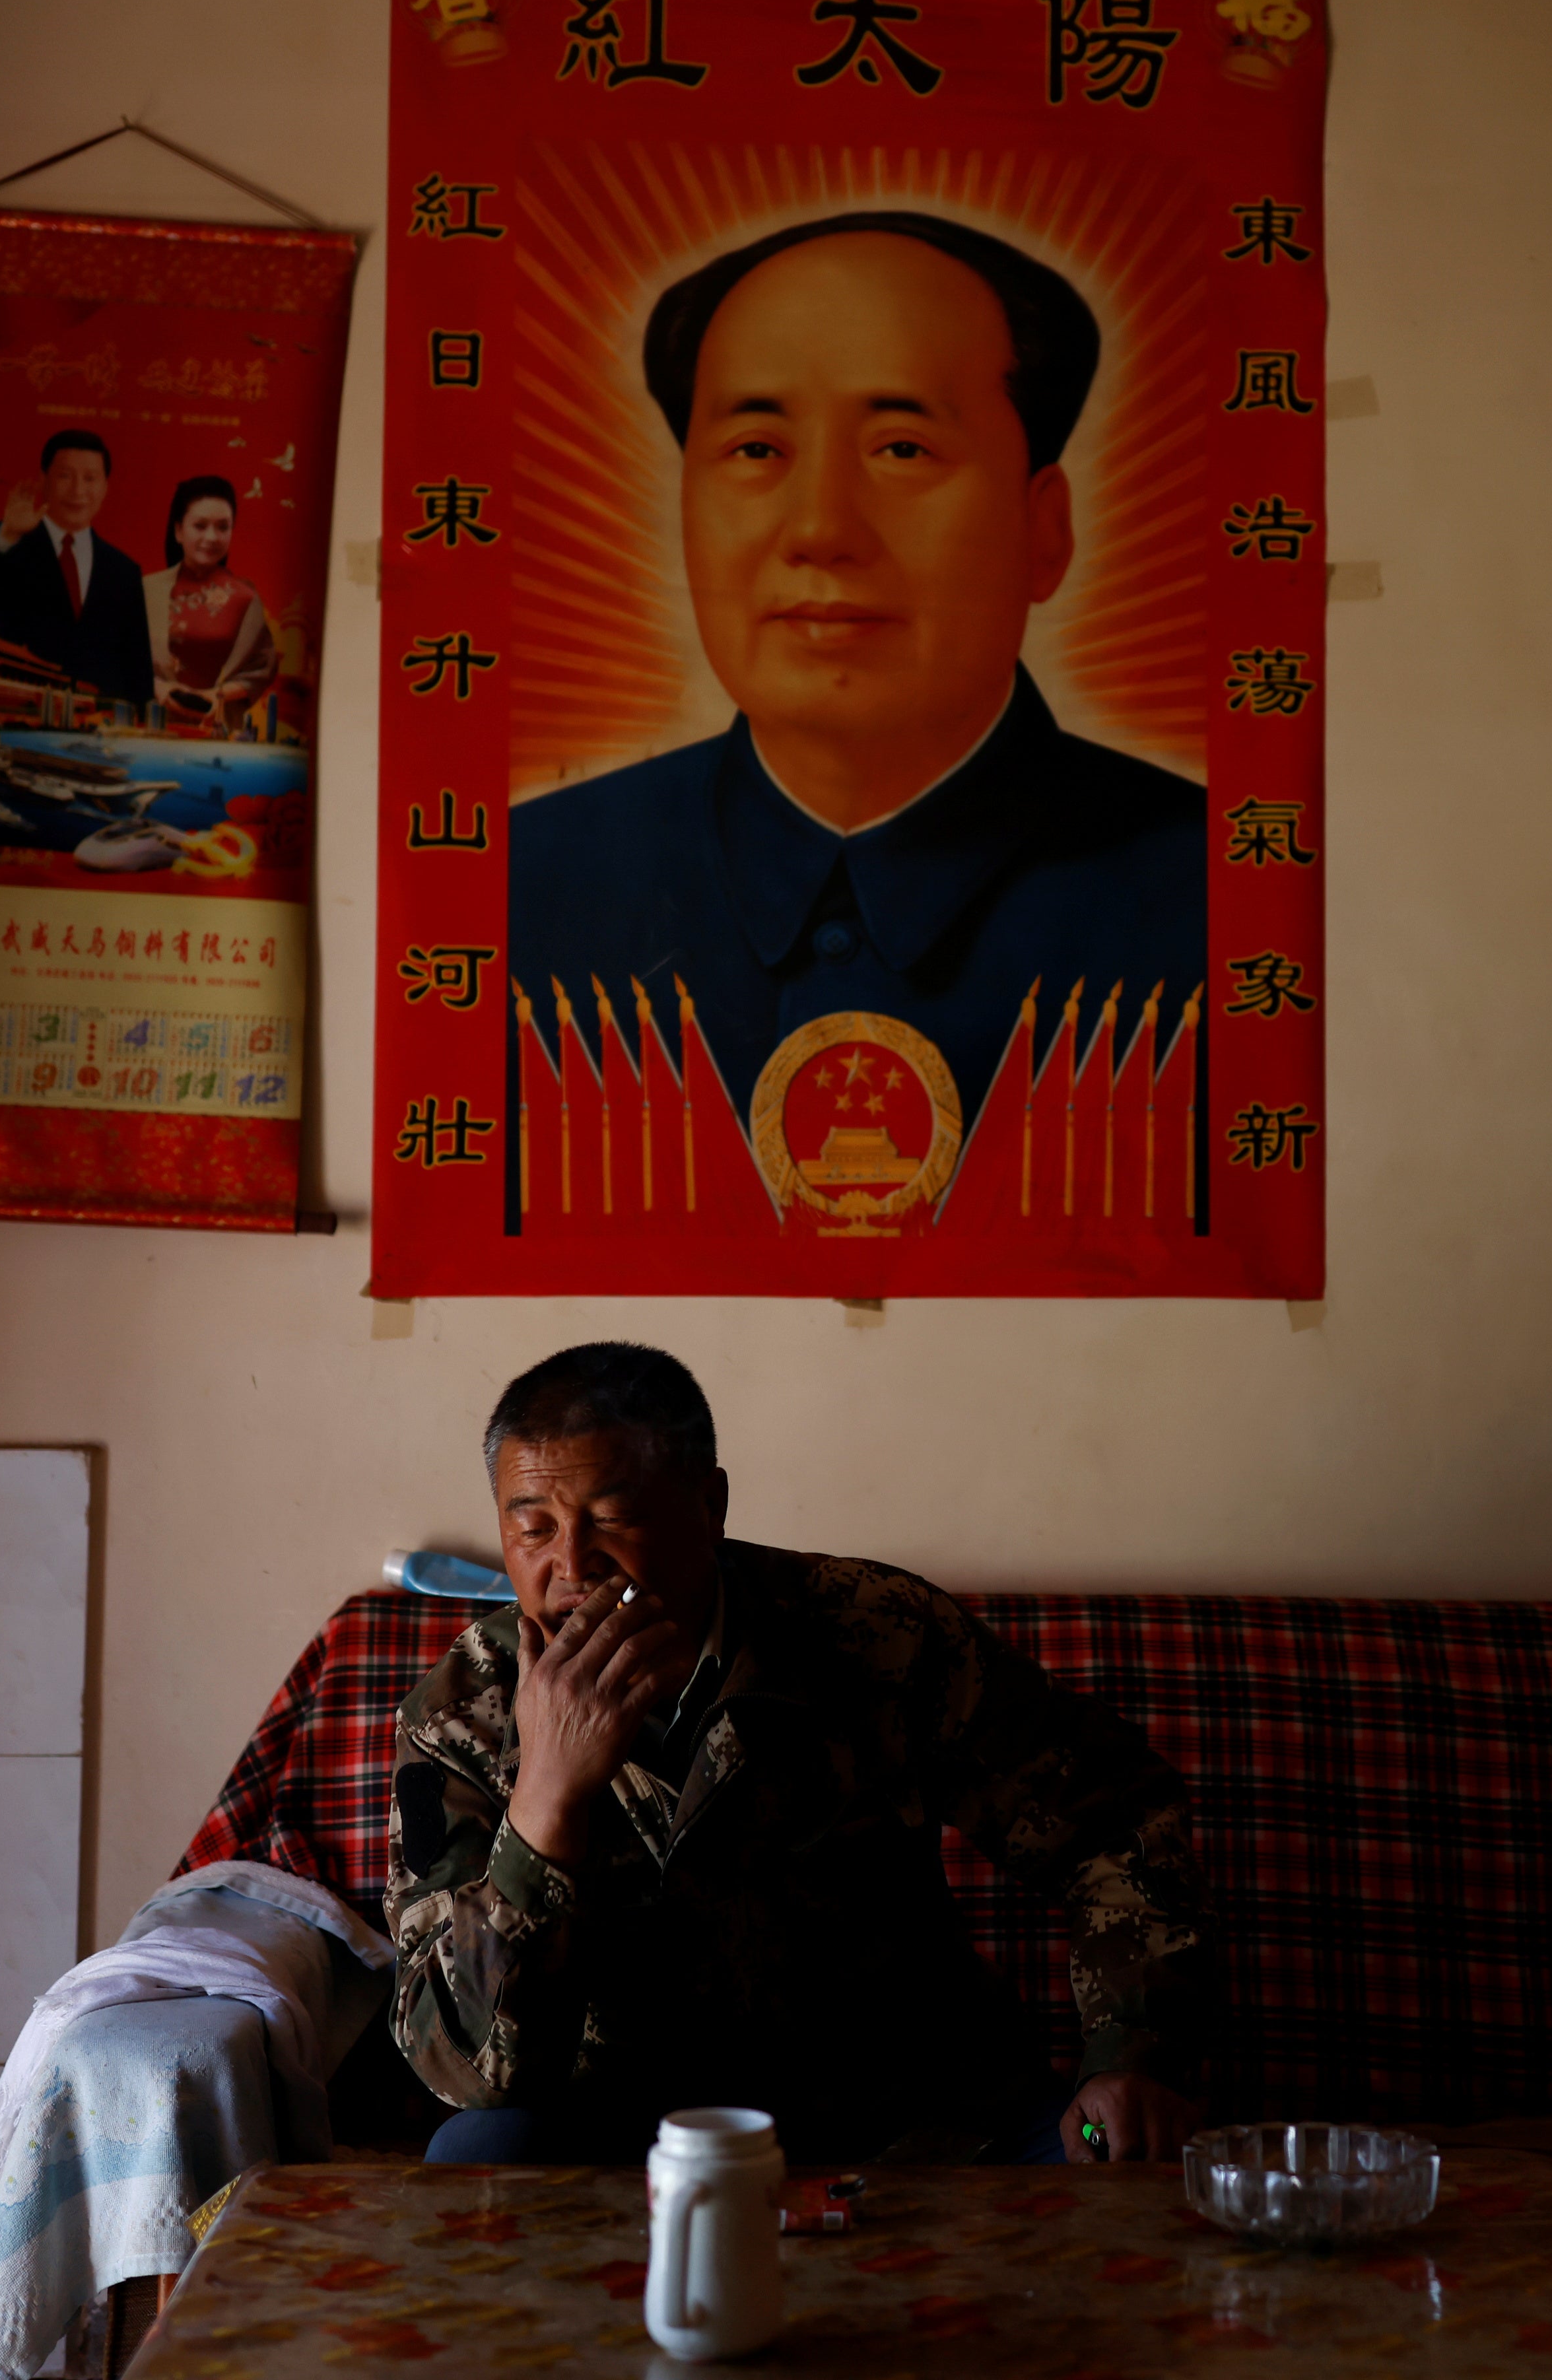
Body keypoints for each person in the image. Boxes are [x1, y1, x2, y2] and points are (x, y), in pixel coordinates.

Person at [388, 1342, 1217, 2165]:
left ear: (708, 1505)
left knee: (1119, 2164)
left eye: (613, 1516)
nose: (571, 1564)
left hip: (917, 2113)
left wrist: (1132, 2056)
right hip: (619, 2128)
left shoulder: (879, 1633)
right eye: (532, 1526)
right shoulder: (462, 1714)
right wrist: (546, 1803)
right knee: (479, 2153)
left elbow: (1115, 1821)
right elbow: (461, 2065)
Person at [508, 213, 1205, 1124]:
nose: (821, 531)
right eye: (757, 451)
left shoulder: (1217, 891)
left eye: (903, 451)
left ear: (1046, 532)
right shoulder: (519, 883)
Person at [0, 428, 157, 704]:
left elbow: (138, 670)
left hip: (100, 724)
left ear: (106, 486)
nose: (78, 490)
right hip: (19, 707)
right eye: (65, 476)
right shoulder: (9, 540)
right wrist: (9, 534)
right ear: (43, 480)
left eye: (90, 478)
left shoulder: (124, 570)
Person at [143, 475, 275, 733]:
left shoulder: (245, 598)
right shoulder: (146, 590)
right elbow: (121, 660)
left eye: (223, 527)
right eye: (200, 526)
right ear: (179, 531)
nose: (212, 537)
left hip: (217, 730)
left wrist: (219, 695)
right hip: (149, 724)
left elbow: (261, 668)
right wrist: (159, 688)